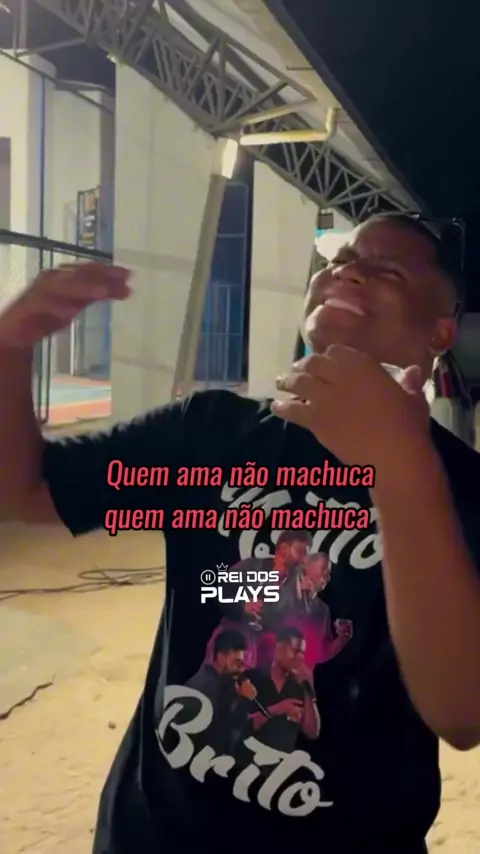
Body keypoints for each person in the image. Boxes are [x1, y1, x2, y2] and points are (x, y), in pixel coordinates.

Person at [1, 214, 480, 853]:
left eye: (387, 270)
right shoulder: (210, 431)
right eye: (339, 260)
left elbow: (462, 713)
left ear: (441, 331)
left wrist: (400, 468)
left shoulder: (463, 488)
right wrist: (10, 349)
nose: (347, 273)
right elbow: (27, 491)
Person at [245, 626, 321, 752]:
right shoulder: (251, 678)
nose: (300, 658)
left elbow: (312, 732)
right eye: (295, 651)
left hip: (282, 762)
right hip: (250, 759)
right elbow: (238, 725)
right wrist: (277, 709)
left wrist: (308, 688)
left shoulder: (299, 688)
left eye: (302, 653)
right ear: (279, 649)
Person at [185, 629, 256, 753]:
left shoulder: (227, 683)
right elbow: (220, 735)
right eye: (236, 663)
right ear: (221, 657)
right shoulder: (202, 686)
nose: (241, 670)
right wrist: (242, 699)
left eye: (242, 665)